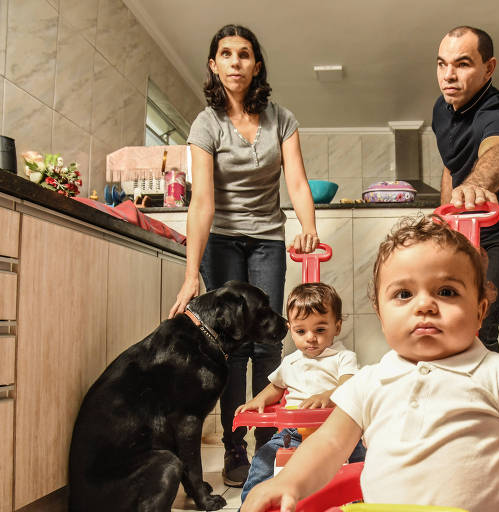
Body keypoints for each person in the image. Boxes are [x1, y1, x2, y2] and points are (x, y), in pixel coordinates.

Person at [240, 216, 499, 512]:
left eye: (447, 292)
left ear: (481, 310)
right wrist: (287, 483)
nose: (424, 305)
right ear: (380, 313)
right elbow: (328, 445)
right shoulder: (369, 382)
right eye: (403, 294)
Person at [167, 24, 320, 487]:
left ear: (257, 66)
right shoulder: (205, 123)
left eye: (245, 54)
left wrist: (308, 225)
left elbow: (296, 181)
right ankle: (236, 446)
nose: (236, 62)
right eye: (226, 54)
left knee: (269, 341)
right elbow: (203, 202)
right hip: (223, 239)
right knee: (231, 347)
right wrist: (192, 275)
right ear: (215, 65)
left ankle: (268, 444)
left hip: (268, 238)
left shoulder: (282, 119)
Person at [432, 26, 499, 353]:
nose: (448, 75)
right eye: (441, 64)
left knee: (477, 319)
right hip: (464, 233)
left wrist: (477, 185)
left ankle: (483, 402)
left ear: (488, 68)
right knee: (444, 317)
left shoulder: (497, 111)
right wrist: (445, 219)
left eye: (462, 64)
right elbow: (451, 165)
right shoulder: (441, 109)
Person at [236, 282, 365, 504]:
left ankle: (360, 503)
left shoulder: (343, 357)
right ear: (290, 328)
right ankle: (250, 504)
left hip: (337, 429)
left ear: (338, 326)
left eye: (320, 330)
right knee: (262, 461)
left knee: (362, 465)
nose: (311, 337)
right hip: (292, 434)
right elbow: (276, 387)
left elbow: (350, 384)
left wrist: (328, 396)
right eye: (301, 331)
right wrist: (258, 400)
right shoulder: (290, 362)